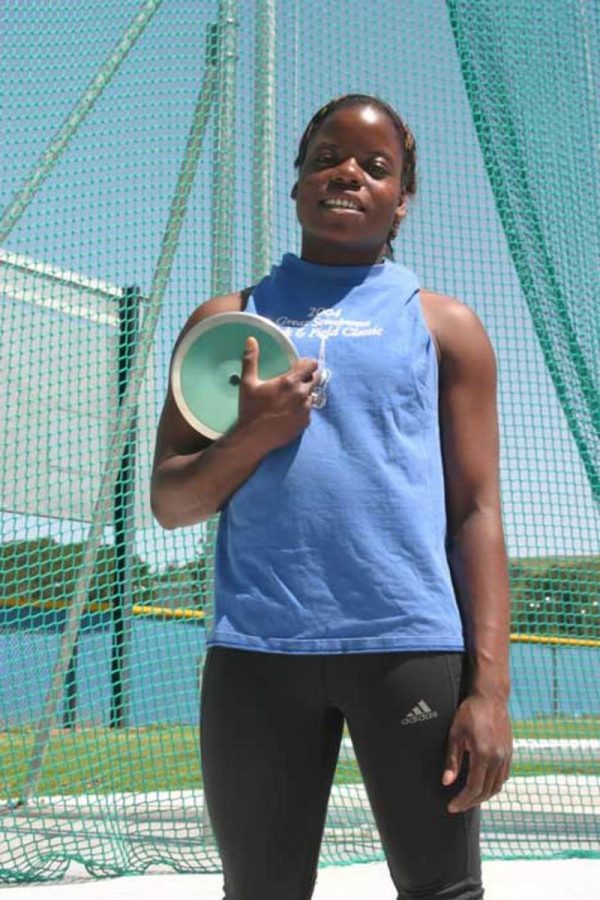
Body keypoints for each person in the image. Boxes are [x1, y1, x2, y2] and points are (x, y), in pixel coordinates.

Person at [151, 94, 513, 900]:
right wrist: (254, 433)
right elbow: (172, 502)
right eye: (326, 157)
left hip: (408, 650)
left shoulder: (447, 327)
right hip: (257, 655)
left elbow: (477, 512)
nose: (347, 171)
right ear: (297, 185)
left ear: (401, 201)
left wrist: (490, 690)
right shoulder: (227, 322)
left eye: (375, 166)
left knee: (443, 891)